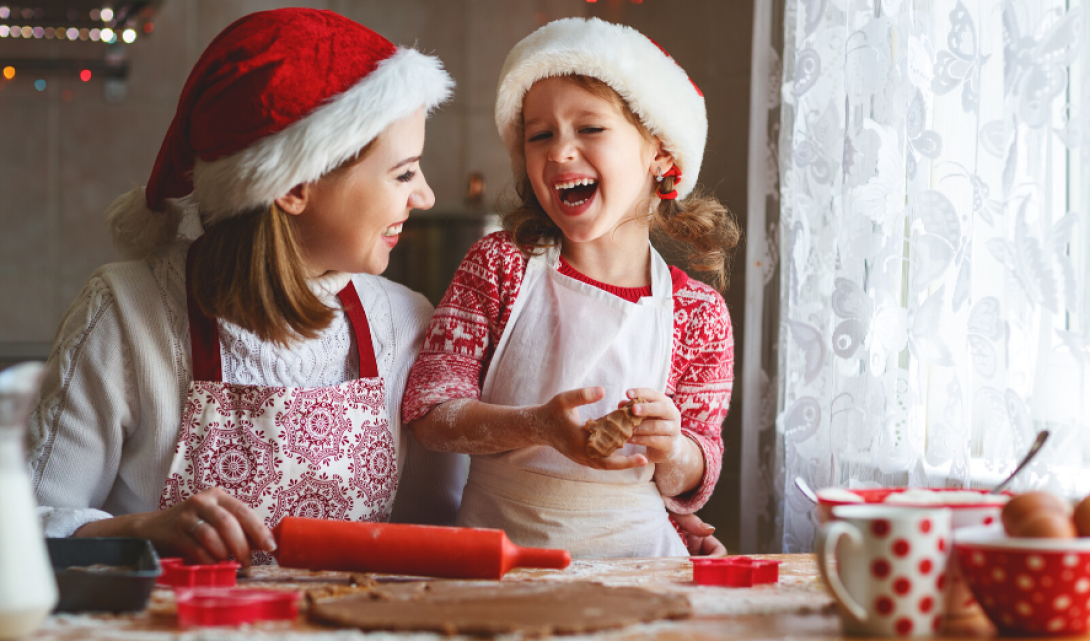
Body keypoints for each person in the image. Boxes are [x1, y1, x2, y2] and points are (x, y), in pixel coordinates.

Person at [26, 8, 464, 566]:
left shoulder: (405, 322)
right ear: (294, 187)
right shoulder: (126, 314)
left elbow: (434, 535)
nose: (423, 196)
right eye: (404, 173)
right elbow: (25, 533)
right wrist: (142, 532)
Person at [403, 17, 739, 558]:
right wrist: (538, 426)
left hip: (638, 567)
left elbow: (697, 471)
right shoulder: (498, 267)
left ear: (661, 154)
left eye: (590, 128)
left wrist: (672, 448)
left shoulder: (698, 313)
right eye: (540, 135)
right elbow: (431, 414)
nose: (559, 151)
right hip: (499, 563)